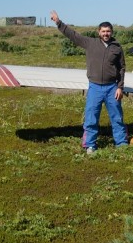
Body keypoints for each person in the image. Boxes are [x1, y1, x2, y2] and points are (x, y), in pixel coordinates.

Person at [50, 10, 128, 153]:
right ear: (98, 32)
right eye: (103, 31)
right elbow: (73, 35)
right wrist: (58, 22)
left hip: (112, 88)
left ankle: (121, 143)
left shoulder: (117, 47)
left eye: (108, 31)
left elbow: (122, 68)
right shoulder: (90, 43)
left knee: (117, 117)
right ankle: (90, 144)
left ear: (111, 32)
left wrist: (120, 87)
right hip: (95, 87)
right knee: (91, 117)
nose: (106, 34)